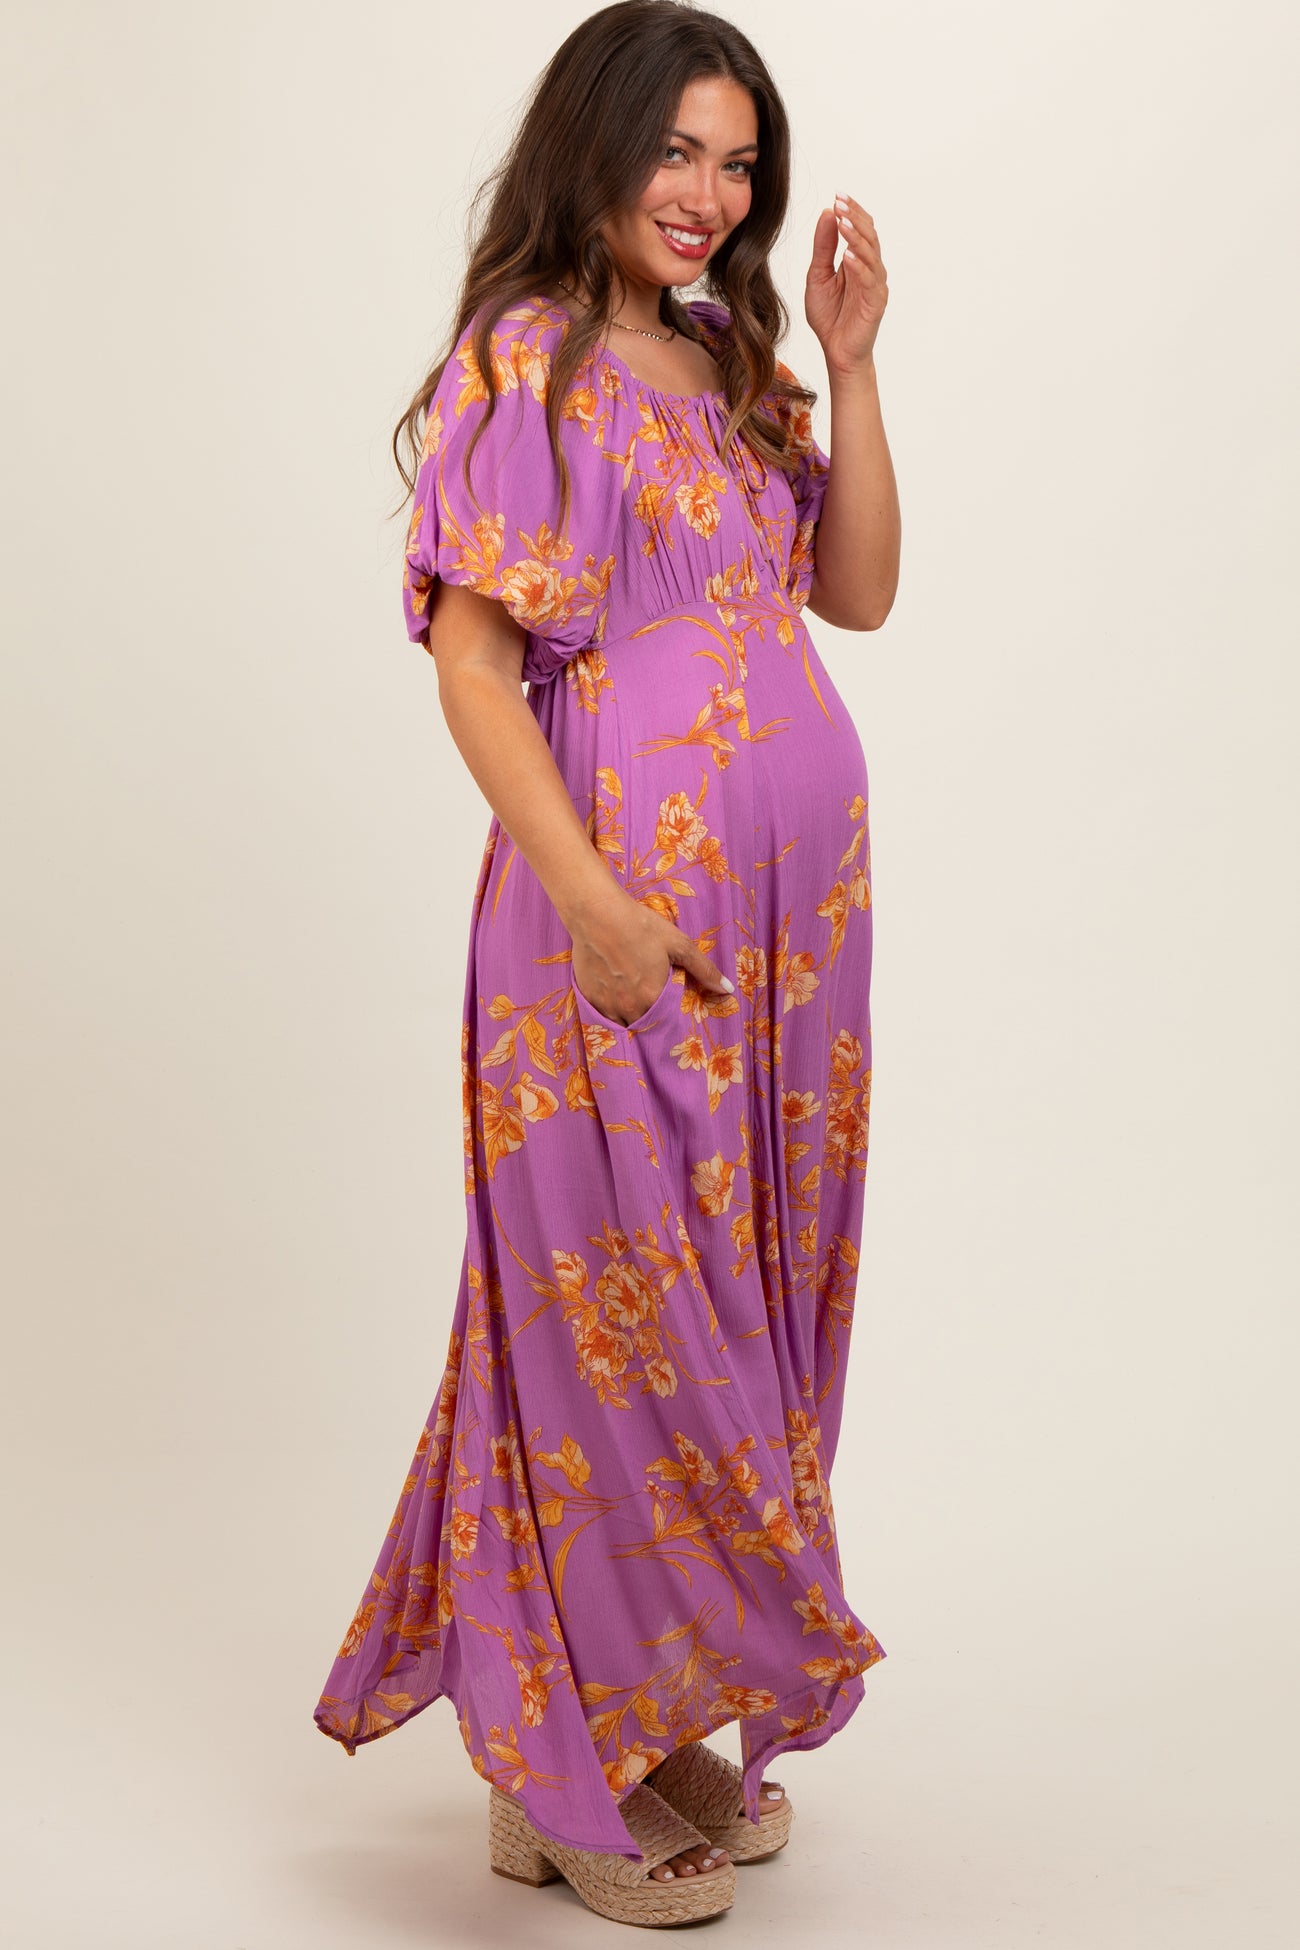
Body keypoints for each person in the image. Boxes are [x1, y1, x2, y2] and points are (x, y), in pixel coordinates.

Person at [314, 0, 901, 1926]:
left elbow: (857, 591)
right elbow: (478, 667)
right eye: (677, 151)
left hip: (789, 949)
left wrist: (852, 368)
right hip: (611, 929)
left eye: (738, 162)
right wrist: (591, 904)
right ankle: (554, 1768)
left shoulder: (729, 356)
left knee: (734, 1314)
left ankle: (627, 1727)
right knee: (610, 1327)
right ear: (599, 140)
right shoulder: (532, 359)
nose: (708, 192)